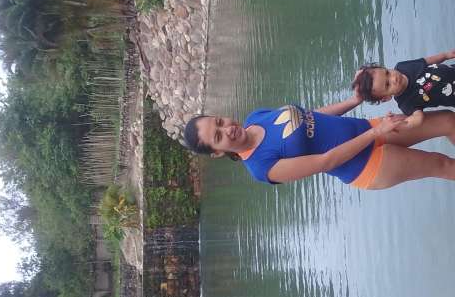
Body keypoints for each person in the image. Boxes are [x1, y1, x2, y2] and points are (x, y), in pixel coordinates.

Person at [183, 92, 455, 190]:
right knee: (441, 164)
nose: (228, 129)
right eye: (218, 136)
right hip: (365, 165)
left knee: (447, 120)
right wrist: (375, 134)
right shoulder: (261, 167)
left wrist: (354, 100)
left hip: (370, 129)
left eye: (219, 121)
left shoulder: (256, 117)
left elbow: (310, 116)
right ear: (217, 152)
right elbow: (326, 161)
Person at [351, 50, 455, 131]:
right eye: (388, 84)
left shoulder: (402, 66)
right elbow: (418, 118)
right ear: (386, 97)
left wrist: (445, 55)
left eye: (387, 73)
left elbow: (426, 61)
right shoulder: (405, 103)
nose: (394, 79)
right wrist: (401, 125)